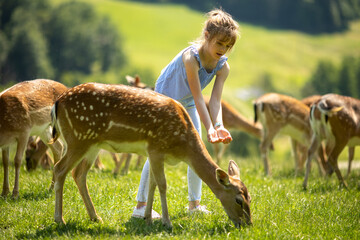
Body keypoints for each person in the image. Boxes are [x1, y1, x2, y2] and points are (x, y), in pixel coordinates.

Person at [132, 8, 240, 219]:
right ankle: (140, 206)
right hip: (163, 102)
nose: (223, 50)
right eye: (220, 43)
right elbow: (200, 97)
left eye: (228, 46)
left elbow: (215, 101)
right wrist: (209, 128)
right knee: (157, 152)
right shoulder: (191, 58)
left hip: (187, 102)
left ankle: (194, 205)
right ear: (207, 36)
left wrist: (219, 127)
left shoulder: (223, 68)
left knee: (197, 150)